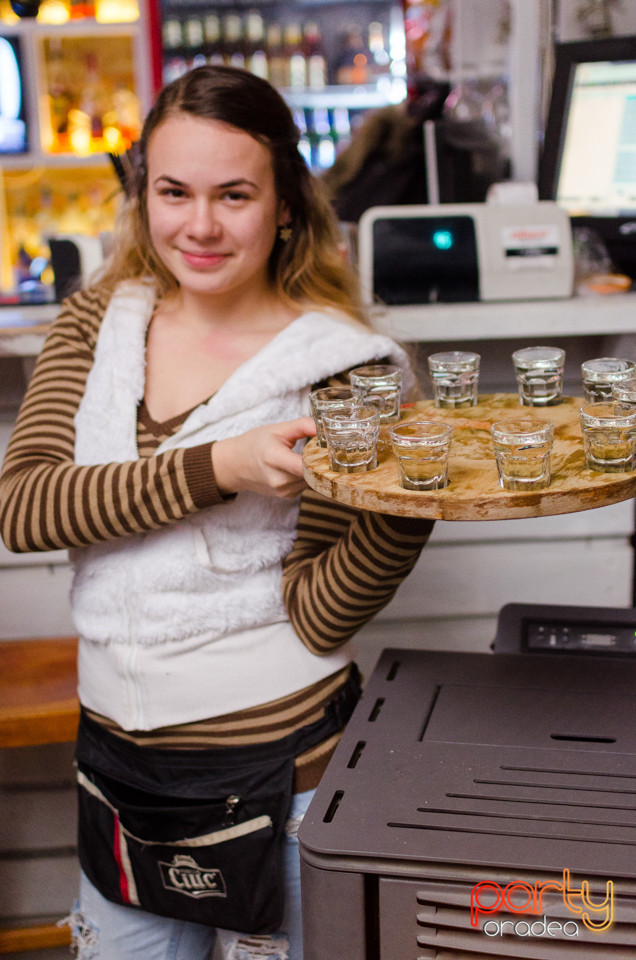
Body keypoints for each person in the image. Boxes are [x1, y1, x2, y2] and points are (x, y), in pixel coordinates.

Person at [0, 65, 434, 960]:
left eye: (233, 194)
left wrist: (407, 499)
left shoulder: (343, 364)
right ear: (144, 195)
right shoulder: (96, 321)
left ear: (283, 205)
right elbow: (25, 507)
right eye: (174, 191)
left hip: (285, 779)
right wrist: (221, 467)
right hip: (117, 769)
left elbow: (319, 615)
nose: (198, 226)